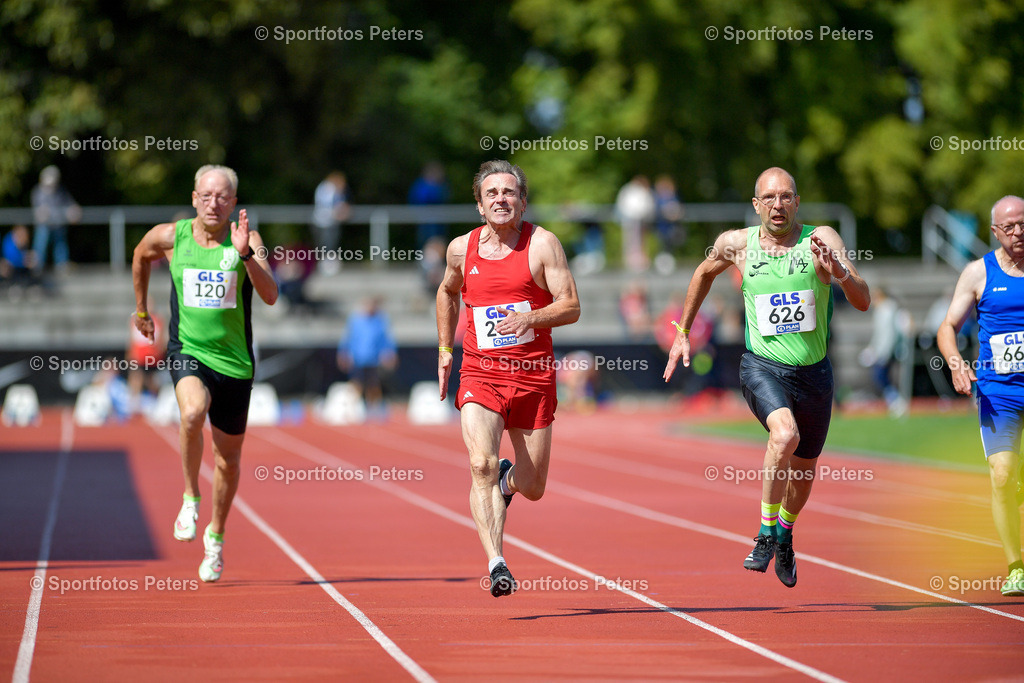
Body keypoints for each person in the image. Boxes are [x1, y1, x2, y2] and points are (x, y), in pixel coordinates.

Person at [663, 167, 870, 587]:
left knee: (804, 470)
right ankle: (765, 533)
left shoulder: (821, 239)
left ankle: (785, 535)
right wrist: (683, 331)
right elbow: (702, 273)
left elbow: (863, 299)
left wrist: (840, 272)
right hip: (763, 366)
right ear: (756, 205)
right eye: (770, 198)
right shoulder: (736, 244)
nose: (778, 205)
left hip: (814, 374)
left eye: (786, 196)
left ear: (797, 202)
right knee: (784, 435)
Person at [436, 160, 580, 597]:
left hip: (533, 376)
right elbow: (447, 291)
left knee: (533, 487)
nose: (501, 199)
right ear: (480, 206)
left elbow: (571, 305)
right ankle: (496, 563)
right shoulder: (461, 249)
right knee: (479, 463)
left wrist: (530, 317)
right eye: (492, 193)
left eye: (509, 192)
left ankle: (507, 481)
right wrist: (445, 350)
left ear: (523, 201)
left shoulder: (543, 244)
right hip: (481, 372)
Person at [132, 164, 278, 582]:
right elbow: (140, 255)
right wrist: (141, 309)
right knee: (192, 412)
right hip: (188, 351)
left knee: (228, 461)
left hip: (235, 363)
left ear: (234, 203)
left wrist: (245, 255)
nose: (214, 203)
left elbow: (270, 295)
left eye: (223, 197)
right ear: (194, 198)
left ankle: (215, 536)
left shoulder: (248, 240)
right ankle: (190, 497)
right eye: (207, 196)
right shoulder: (171, 237)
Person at [937, 194, 1024, 597]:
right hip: (998, 391)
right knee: (1002, 475)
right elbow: (947, 327)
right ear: (994, 231)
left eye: (1023, 224)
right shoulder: (978, 273)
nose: (1018, 232)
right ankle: (1016, 566)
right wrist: (956, 364)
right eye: (1009, 227)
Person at [337, 296, 397, 416]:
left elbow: (385, 340)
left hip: (373, 360)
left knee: (373, 385)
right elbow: (347, 339)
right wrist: (343, 353)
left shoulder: (380, 321)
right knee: (356, 384)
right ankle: (352, 407)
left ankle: (373, 408)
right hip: (358, 359)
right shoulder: (355, 321)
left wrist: (390, 353)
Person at [31, 166, 81, 274]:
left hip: (58, 224)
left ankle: (61, 265)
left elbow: (70, 204)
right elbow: (37, 210)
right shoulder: (37, 192)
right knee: (40, 244)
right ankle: (38, 267)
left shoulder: (61, 191)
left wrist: (73, 210)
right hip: (44, 225)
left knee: (60, 246)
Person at [312, 171, 351, 275]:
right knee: (326, 245)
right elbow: (327, 205)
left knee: (329, 245)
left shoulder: (330, 189)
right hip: (324, 222)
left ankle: (328, 266)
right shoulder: (327, 188)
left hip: (331, 221)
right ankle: (326, 267)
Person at [409, 161, 450, 249]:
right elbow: (418, 199)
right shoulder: (421, 184)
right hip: (424, 221)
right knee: (425, 242)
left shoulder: (441, 185)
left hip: (438, 221)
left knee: (439, 242)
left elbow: (445, 198)